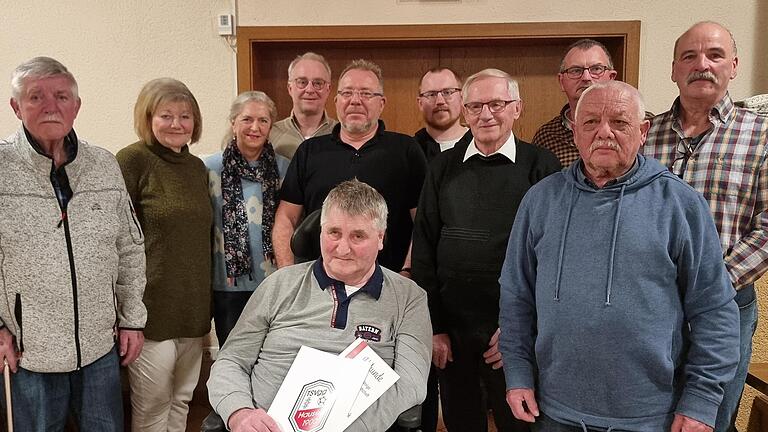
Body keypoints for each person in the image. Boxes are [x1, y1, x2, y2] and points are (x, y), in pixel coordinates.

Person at [499, 80, 739, 431]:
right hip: (554, 410)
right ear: (576, 133)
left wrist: (702, 400)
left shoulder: (680, 205)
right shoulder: (540, 201)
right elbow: (516, 295)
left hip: (650, 416)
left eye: (620, 122)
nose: (604, 133)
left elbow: (714, 310)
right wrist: (517, 373)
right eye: (591, 122)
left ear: (643, 132)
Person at [208, 179, 431, 432]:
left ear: (380, 238)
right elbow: (231, 360)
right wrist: (239, 413)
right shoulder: (279, 285)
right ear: (321, 231)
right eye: (334, 233)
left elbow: (411, 384)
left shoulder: (409, 298)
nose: (343, 248)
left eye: (358, 236)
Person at [0, 56, 146, 431]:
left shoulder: (104, 165)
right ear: (16, 107)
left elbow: (129, 248)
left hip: (99, 350)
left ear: (76, 106)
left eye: (62, 96)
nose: (51, 106)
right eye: (36, 97)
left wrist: (132, 319)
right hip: (28, 355)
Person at [413, 68, 560, 432]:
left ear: (517, 109)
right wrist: (435, 326)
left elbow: (553, 258)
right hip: (453, 331)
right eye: (475, 105)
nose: (485, 114)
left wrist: (520, 329)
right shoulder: (442, 167)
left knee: (519, 424)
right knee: (462, 422)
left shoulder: (542, 167)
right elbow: (425, 246)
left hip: (513, 330)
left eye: (497, 103)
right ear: (464, 111)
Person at [642, 21, 768, 432]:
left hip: (726, 304)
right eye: (690, 56)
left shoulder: (761, 133)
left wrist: (712, 282)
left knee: (706, 418)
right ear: (674, 69)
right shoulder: (645, 133)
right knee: (655, 412)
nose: (702, 65)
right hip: (651, 304)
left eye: (714, 55)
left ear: (733, 65)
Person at [116, 78, 212, 432]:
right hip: (150, 309)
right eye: (166, 115)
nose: (176, 124)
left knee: (183, 399)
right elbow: (117, 239)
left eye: (185, 116)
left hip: (192, 306)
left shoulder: (197, 168)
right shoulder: (131, 161)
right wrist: (125, 312)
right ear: (148, 117)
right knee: (152, 405)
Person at [273, 59, 427, 273]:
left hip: (389, 281)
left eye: (366, 93)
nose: (355, 101)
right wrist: (287, 274)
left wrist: (408, 271)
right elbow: (285, 218)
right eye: (347, 93)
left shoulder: (406, 150)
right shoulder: (309, 152)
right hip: (319, 284)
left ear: (381, 103)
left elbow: (423, 220)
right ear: (336, 101)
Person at [205, 91, 290, 346]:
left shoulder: (284, 168)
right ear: (233, 123)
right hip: (227, 284)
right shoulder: (209, 168)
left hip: (274, 282)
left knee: (273, 355)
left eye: (263, 121)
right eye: (247, 119)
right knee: (231, 355)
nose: (255, 127)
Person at [531, 39, 617, 166]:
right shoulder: (547, 136)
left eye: (596, 69)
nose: (586, 77)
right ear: (561, 81)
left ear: (611, 78)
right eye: (576, 70)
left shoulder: (638, 125)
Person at [269, 52, 338, 159]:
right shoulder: (270, 134)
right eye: (302, 82)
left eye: (318, 83)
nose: (310, 90)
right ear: (290, 88)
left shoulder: (341, 134)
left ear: (328, 89)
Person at [414, 67, 471, 162]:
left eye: (447, 92)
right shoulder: (410, 151)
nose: (440, 101)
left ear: (462, 98)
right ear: (420, 103)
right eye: (431, 94)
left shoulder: (480, 144)